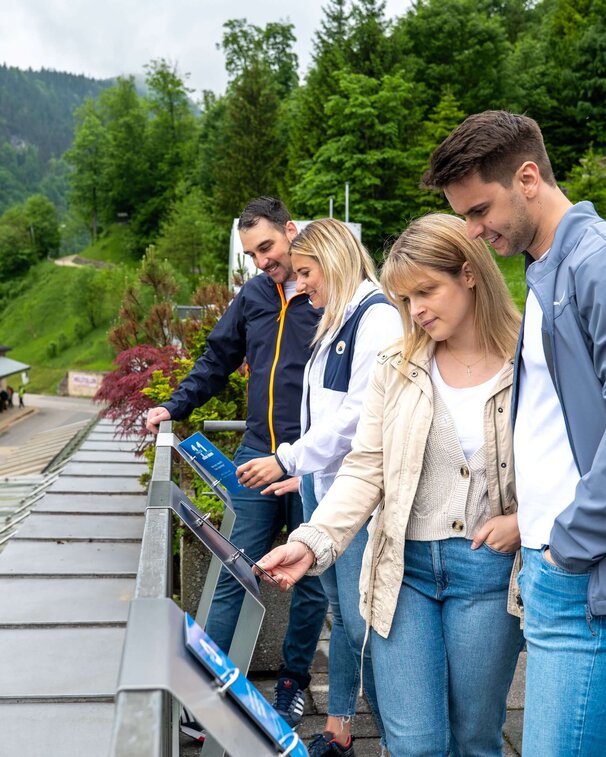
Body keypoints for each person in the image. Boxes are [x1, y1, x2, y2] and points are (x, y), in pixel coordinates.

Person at [257, 213, 525, 755]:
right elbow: (365, 466)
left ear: (470, 274)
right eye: (404, 300)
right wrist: (312, 540)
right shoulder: (396, 365)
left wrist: (527, 520)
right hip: (403, 573)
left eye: (426, 291)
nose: (416, 311)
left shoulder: (530, 359)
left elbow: (569, 461)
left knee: (475, 736)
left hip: (488, 575)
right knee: (414, 742)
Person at [422, 110, 606, 756]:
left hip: (578, 574)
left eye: (479, 210)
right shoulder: (544, 268)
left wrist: (568, 542)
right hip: (551, 570)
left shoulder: (593, 262)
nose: (473, 231)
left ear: (527, 177)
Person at [146, 197, 328, 737]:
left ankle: (293, 684)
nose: (260, 261)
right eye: (251, 253)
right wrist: (174, 406)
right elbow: (216, 359)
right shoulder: (252, 295)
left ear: (291, 231)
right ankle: (206, 693)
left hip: (313, 462)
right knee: (235, 571)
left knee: (312, 581)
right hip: (255, 458)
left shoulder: (327, 292)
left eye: (267, 247)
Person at [237, 218, 402, 756]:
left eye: (306, 272)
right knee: (344, 618)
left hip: (352, 497)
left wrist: (288, 458)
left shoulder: (375, 319)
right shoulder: (338, 318)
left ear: (334, 261)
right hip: (323, 488)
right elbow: (326, 413)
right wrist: (303, 476)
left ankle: (391, 732)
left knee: (360, 624)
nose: (301, 284)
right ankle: (345, 728)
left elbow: (358, 418)